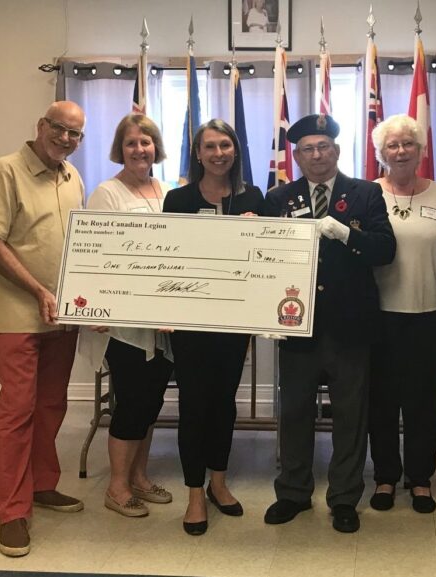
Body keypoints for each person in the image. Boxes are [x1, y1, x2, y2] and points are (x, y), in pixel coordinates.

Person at [260, 114, 395, 533]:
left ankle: (344, 497)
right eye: (307, 149)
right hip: (297, 323)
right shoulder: (279, 198)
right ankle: (293, 493)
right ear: (297, 156)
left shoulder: (366, 192)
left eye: (323, 147)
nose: (316, 155)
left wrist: (346, 234)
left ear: (336, 150)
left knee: (350, 416)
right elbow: (264, 257)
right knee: (294, 412)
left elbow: (385, 249)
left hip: (350, 325)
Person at [0, 101, 87, 557]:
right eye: (59, 129)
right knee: (18, 411)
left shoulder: (72, 176)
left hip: (61, 314)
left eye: (75, 134)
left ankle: (42, 484)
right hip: (18, 312)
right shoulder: (6, 170)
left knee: (51, 404)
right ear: (41, 126)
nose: (66, 139)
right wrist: (38, 290)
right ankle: (13, 512)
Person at [162, 119, 265, 536]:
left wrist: (259, 232)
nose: (218, 153)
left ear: (235, 151)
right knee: (194, 404)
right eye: (210, 146)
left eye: (225, 145)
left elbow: (266, 258)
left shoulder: (253, 196)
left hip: (235, 320)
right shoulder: (178, 198)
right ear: (198, 153)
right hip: (189, 321)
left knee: (224, 402)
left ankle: (218, 483)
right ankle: (193, 493)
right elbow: (166, 257)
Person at [76, 114, 174, 519]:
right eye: (131, 143)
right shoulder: (107, 193)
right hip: (123, 325)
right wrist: (97, 306)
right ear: (121, 148)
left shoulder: (166, 190)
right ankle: (117, 487)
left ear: (156, 147)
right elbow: (95, 254)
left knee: (151, 402)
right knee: (131, 403)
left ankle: (139, 476)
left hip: (162, 323)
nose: (139, 150)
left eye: (146, 142)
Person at [366, 114, 436, 514]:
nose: (401, 151)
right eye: (393, 145)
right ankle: (386, 477)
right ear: (381, 153)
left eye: (409, 143)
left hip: (430, 314)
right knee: (382, 402)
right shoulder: (368, 194)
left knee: (425, 401)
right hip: (379, 317)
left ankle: (421, 478)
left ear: (421, 150)